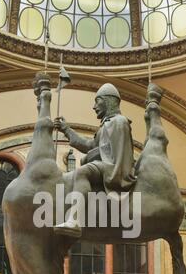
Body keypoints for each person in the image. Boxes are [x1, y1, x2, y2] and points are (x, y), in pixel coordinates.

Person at [53, 83, 137, 237]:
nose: (94, 107)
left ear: (108, 101)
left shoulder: (120, 122)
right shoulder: (107, 124)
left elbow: (119, 155)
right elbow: (89, 145)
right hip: (106, 164)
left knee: (83, 172)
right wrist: (66, 129)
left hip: (114, 169)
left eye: (97, 101)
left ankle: (75, 219)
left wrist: (94, 156)